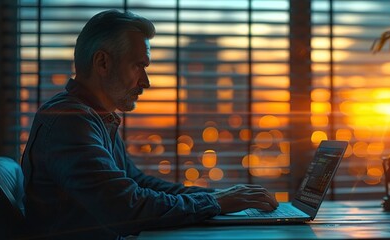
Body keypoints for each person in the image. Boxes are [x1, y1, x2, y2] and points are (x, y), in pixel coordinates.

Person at [20, 10, 278, 239]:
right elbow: (126, 208)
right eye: (138, 66)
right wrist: (216, 202)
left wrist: (219, 197)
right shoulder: (71, 121)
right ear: (102, 62)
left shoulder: (96, 117)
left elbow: (138, 183)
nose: (146, 82)